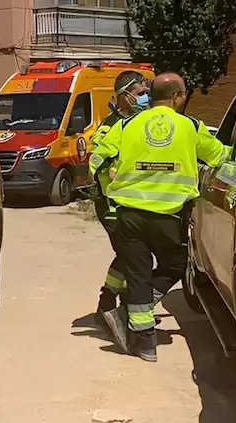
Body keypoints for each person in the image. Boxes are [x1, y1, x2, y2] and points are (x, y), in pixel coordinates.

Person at [89, 73, 226, 362]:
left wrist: (111, 190)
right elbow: (220, 157)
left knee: (137, 275)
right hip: (168, 219)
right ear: (178, 96)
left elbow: (97, 160)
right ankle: (136, 315)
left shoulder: (126, 125)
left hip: (129, 216)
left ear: (152, 96)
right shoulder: (190, 126)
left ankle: (145, 343)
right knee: (176, 264)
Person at [86, 70, 151, 317]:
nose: (146, 98)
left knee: (129, 254)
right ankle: (119, 303)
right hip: (112, 205)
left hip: (132, 204)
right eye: (141, 94)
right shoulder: (109, 128)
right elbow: (101, 169)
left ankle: (111, 300)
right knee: (132, 255)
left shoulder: (139, 124)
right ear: (125, 96)